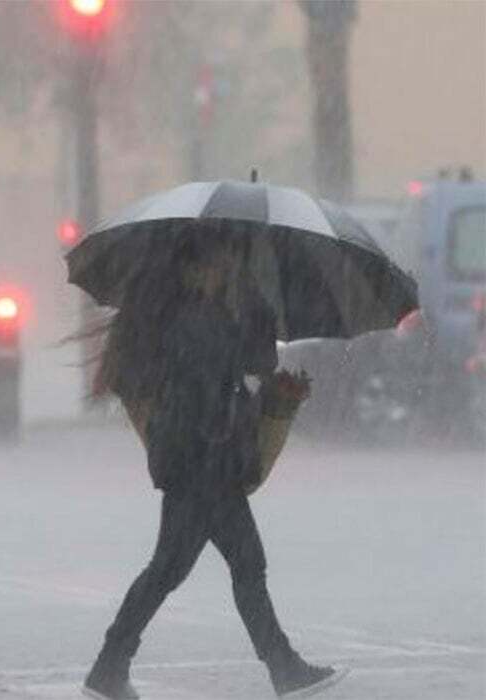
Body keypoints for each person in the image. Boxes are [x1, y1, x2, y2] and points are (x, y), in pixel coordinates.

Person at [82, 227, 346, 700]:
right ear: (195, 268)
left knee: (177, 569)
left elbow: (241, 370)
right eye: (221, 261)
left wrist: (250, 313)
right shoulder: (197, 320)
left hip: (201, 462)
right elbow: (248, 361)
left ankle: (110, 665)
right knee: (231, 566)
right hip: (203, 463)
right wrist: (257, 309)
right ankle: (283, 669)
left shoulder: (196, 315)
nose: (225, 268)